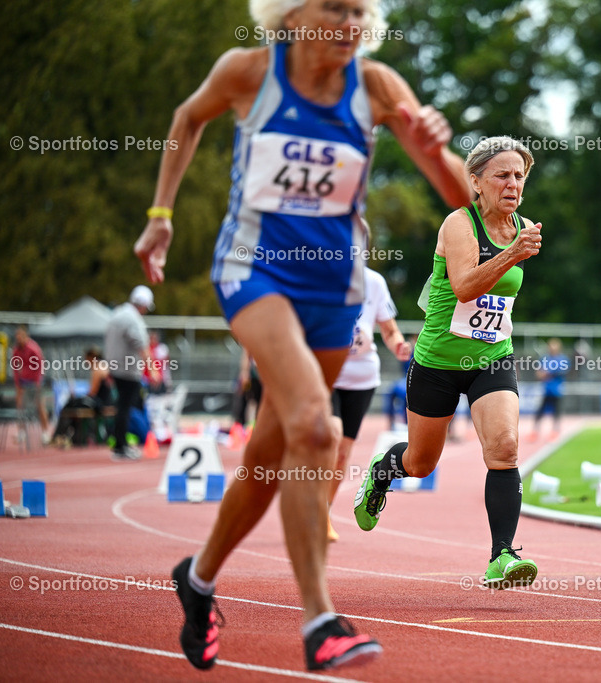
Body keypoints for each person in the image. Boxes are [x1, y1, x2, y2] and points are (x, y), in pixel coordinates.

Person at [133, 0, 471, 671]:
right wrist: (161, 213)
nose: (350, 23)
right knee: (316, 430)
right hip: (252, 272)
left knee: (268, 452)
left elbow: (461, 197)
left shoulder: (376, 87)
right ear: (292, 13)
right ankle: (321, 619)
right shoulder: (249, 72)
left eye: (359, 11)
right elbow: (186, 118)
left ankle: (196, 579)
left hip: (333, 290)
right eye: (334, 8)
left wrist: (438, 151)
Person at [353, 135, 543, 590]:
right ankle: (383, 471)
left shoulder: (521, 226)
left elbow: (496, 304)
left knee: (505, 448)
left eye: (519, 175)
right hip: (437, 360)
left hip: (491, 358)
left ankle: (502, 556)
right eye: (501, 175)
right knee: (421, 463)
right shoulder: (460, 224)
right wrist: (515, 252)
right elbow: (464, 288)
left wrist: (516, 247)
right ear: (476, 181)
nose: (512, 183)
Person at [327, 266, 411, 541]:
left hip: (361, 377)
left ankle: (322, 513)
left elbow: (389, 330)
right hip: (324, 371)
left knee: (342, 452)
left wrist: (398, 345)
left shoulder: (375, 282)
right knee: (331, 436)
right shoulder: (318, 275)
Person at [104, 285, 159, 461]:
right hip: (128, 371)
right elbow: (141, 345)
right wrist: (152, 369)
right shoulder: (132, 319)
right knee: (125, 408)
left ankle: (120, 444)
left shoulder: (118, 314)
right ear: (143, 305)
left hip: (116, 367)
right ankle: (121, 446)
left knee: (122, 407)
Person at [51, 348, 114, 447]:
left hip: (99, 403)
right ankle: (71, 436)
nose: (86, 363)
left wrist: (80, 396)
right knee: (73, 404)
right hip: (105, 401)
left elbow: (92, 393)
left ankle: (59, 436)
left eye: (87, 360)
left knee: (70, 405)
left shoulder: (97, 369)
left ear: (91, 358)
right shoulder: (104, 366)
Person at [10, 325, 50, 443]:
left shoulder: (33, 348)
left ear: (25, 336)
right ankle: (21, 431)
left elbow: (40, 365)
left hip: (35, 382)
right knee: (20, 406)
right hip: (23, 382)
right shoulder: (16, 350)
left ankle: (45, 432)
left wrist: (37, 382)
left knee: (40, 406)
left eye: (20, 337)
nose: (18, 340)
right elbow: (15, 367)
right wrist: (18, 383)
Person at [529, 337, 568, 440]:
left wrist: (548, 373)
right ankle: (535, 431)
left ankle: (555, 431)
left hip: (557, 390)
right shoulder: (545, 358)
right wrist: (543, 373)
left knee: (556, 412)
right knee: (540, 411)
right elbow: (539, 372)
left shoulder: (562, 359)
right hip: (546, 389)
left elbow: (562, 372)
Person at [231, 347, 262, 428]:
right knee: (247, 401)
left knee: (259, 403)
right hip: (253, 376)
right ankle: (244, 426)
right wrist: (245, 372)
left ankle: (255, 426)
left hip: (262, 376)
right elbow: (246, 354)